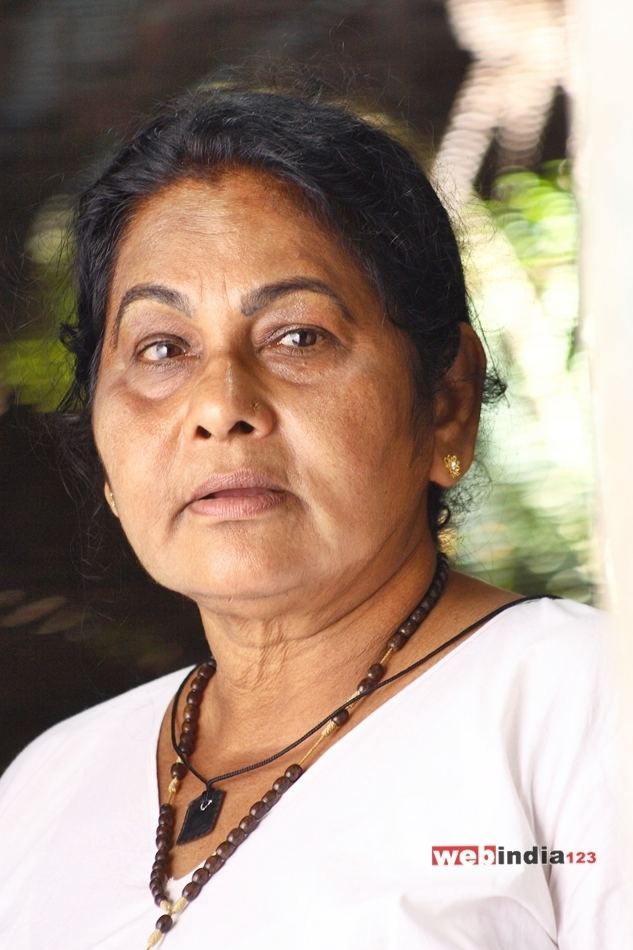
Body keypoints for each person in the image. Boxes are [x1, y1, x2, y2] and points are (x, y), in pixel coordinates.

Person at [0, 82, 629, 950]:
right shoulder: (46, 787)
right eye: (160, 348)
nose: (220, 405)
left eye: (298, 336)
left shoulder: (584, 707)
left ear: (444, 401)